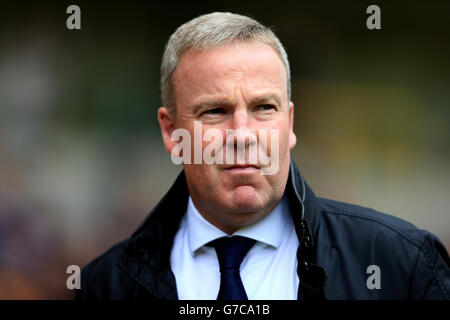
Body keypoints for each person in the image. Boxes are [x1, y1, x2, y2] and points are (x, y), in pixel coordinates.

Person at [77, 12, 450, 300]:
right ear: (171, 133)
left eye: (263, 108)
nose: (242, 135)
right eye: (215, 111)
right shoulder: (104, 284)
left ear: (289, 123)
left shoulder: (402, 265)